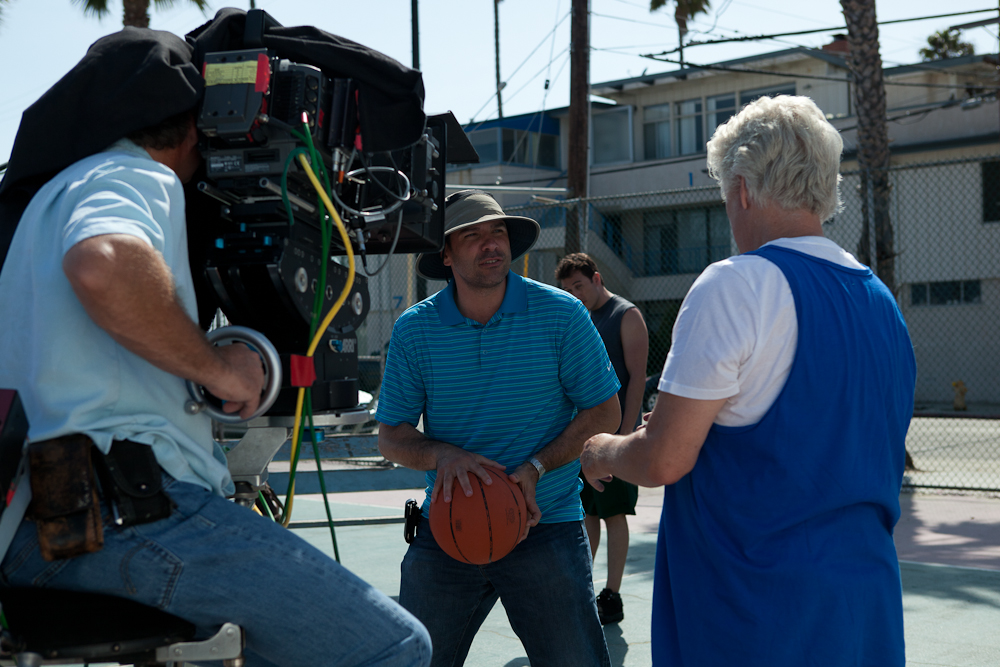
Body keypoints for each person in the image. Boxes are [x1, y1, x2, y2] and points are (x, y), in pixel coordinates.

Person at [0, 29, 430, 667]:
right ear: (190, 126)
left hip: (41, 531)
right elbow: (104, 264)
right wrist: (219, 369)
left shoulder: (42, 203)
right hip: (126, 522)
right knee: (393, 645)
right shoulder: (132, 173)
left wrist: (196, 366)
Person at [581, 95, 916, 667]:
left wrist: (603, 449)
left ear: (741, 189)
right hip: (867, 607)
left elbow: (664, 459)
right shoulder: (880, 300)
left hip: (756, 613)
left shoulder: (737, 285)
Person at [377, 190, 622, 667]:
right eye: (472, 236)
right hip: (446, 527)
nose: (491, 244)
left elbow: (603, 411)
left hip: (545, 524)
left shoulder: (561, 314)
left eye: (498, 232)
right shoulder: (415, 330)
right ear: (445, 255)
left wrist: (536, 466)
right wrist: (443, 456)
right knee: (410, 660)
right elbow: (393, 436)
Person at [556, 252, 648, 625]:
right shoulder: (581, 319)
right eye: (567, 289)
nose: (574, 294)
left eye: (578, 286)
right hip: (584, 440)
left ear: (596, 278)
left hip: (616, 438)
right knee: (589, 513)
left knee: (614, 514)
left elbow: (638, 379)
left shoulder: (626, 315)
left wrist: (624, 437)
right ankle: (587, 589)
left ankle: (613, 595)